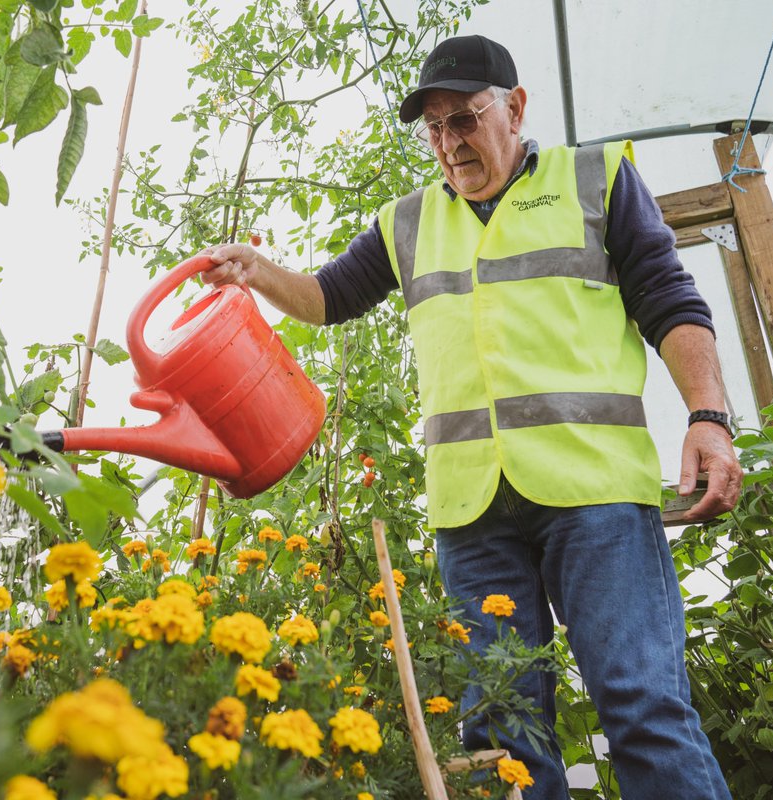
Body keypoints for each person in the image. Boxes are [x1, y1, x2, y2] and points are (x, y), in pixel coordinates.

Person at [200, 34, 741, 800]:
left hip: (596, 496)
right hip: (472, 513)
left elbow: (672, 302)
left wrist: (708, 416)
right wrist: (256, 273)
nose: (449, 143)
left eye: (464, 120)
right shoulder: (408, 222)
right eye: (434, 128)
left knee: (642, 706)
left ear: (515, 109)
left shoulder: (597, 179)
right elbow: (330, 299)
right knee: (499, 732)